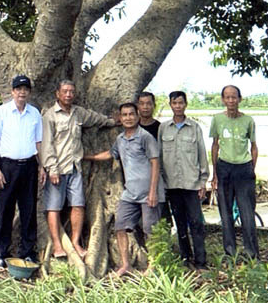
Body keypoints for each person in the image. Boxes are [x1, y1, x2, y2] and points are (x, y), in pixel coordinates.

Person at [41, 80, 117, 259]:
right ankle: (57, 245)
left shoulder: (78, 113)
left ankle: (75, 242)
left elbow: (96, 118)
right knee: (54, 207)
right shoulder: (50, 116)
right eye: (65, 91)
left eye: (71, 92)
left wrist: (113, 122)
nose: (68, 95)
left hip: (75, 168)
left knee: (78, 204)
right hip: (57, 169)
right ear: (57, 94)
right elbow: (46, 145)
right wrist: (52, 168)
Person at [86, 102, 164, 276]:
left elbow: (155, 163)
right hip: (130, 193)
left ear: (137, 116)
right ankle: (125, 264)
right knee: (120, 227)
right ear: (120, 118)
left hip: (148, 193)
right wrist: (87, 157)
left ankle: (153, 265)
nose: (128, 118)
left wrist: (153, 192)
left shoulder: (145, 137)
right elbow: (110, 154)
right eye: (125, 115)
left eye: (131, 114)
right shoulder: (120, 139)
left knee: (150, 230)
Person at [0, 75, 45, 268]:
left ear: (29, 92)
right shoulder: (1, 112)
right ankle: (1, 254)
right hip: (7, 167)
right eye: (18, 89)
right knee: (5, 211)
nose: (22, 92)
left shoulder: (35, 114)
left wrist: (42, 166)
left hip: (29, 166)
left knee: (28, 211)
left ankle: (27, 252)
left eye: (25, 89)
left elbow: (38, 143)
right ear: (12, 92)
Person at [158, 90, 209, 269]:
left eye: (181, 103)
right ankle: (186, 258)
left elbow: (202, 155)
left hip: (192, 184)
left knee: (196, 222)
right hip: (172, 184)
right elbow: (160, 156)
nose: (178, 106)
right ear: (170, 105)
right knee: (179, 223)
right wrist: (161, 183)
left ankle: (201, 261)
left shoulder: (194, 127)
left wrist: (203, 181)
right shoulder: (164, 128)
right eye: (175, 103)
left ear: (185, 104)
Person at [210, 84, 259, 260]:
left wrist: (250, 169)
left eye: (234, 97)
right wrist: (214, 172)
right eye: (227, 97)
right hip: (224, 168)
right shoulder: (217, 120)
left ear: (240, 99)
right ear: (223, 99)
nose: (231, 100)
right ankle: (230, 253)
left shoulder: (248, 121)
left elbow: (253, 147)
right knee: (226, 213)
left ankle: (252, 254)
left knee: (247, 213)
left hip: (243, 169)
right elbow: (215, 146)